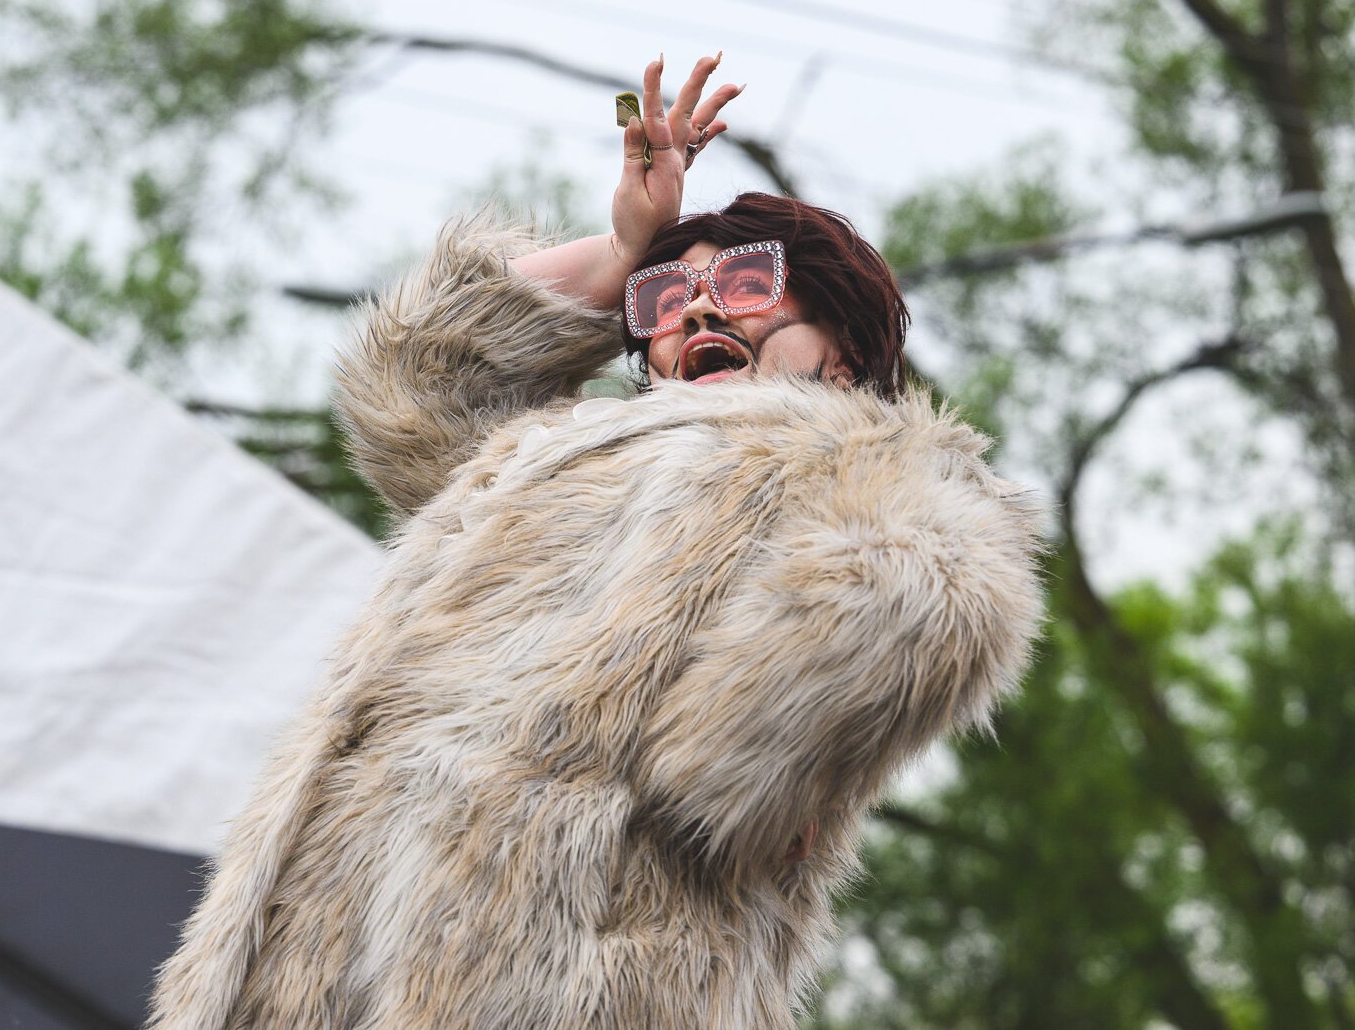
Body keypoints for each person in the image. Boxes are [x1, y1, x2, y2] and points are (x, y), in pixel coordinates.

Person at [149, 55, 1044, 1030]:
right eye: (664, 300)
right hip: (323, 961)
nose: (698, 307)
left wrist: (658, 768)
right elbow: (414, 380)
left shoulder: (862, 463)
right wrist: (624, 248)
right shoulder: (554, 452)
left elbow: (931, 590)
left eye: (746, 281)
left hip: (573, 965)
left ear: (846, 345)